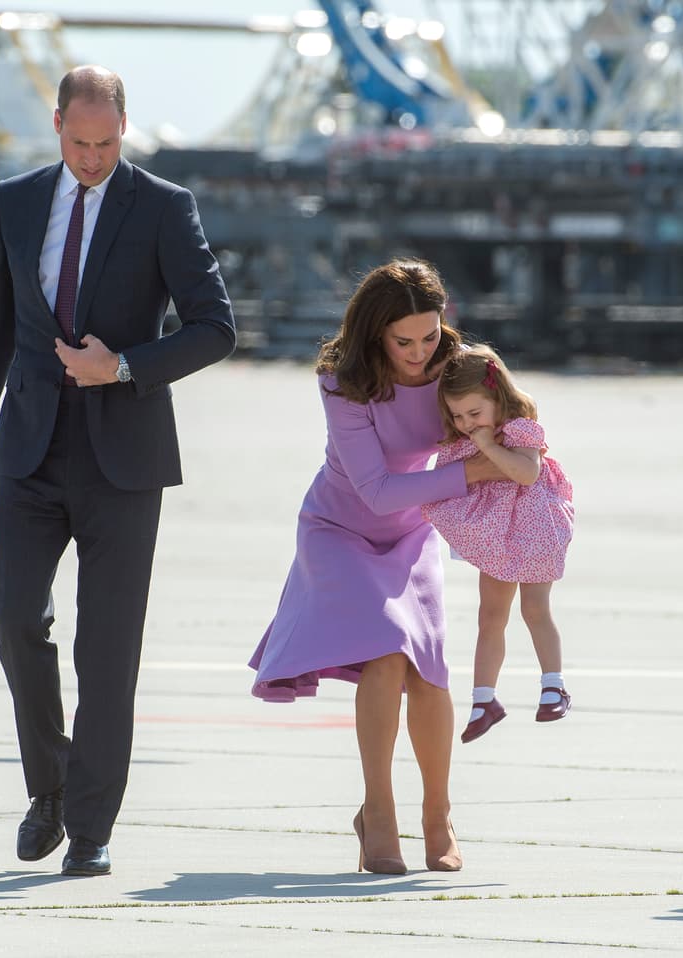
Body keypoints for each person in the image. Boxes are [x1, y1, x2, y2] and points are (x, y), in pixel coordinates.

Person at [0, 65, 236, 877]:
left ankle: (93, 827)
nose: (95, 158)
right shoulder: (15, 200)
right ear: (57, 124)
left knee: (107, 652)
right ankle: (52, 786)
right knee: (14, 619)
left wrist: (128, 365)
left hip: (124, 458)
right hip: (30, 451)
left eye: (108, 144)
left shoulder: (165, 206)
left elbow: (216, 328)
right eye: (80, 142)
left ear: (124, 127)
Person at [249, 257, 506, 874]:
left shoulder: (460, 365)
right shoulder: (342, 378)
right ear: (374, 335)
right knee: (387, 656)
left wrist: (527, 469)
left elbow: (516, 423)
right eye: (403, 341)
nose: (420, 352)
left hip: (416, 529)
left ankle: (438, 816)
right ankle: (380, 814)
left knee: (429, 673)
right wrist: (473, 470)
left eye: (430, 335)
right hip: (340, 528)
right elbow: (377, 490)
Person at [421, 345, 575, 743]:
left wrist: (489, 446)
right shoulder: (464, 434)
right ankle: (483, 700)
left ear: (497, 397)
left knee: (535, 609)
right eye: (457, 415)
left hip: (535, 527)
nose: (467, 423)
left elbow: (525, 473)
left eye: (474, 413)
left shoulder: (519, 427)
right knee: (490, 616)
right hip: (498, 534)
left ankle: (553, 685)